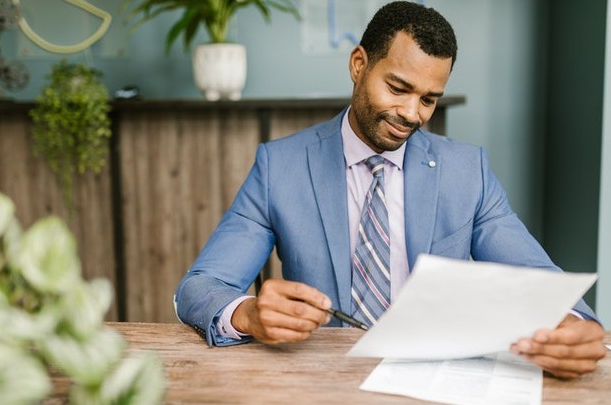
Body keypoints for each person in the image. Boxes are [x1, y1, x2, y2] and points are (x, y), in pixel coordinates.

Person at [175, 1, 605, 379]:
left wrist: (574, 325)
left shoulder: (467, 171)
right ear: (358, 64)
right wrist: (247, 314)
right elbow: (199, 287)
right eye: (398, 88)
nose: (411, 114)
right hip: (321, 378)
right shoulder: (280, 167)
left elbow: (541, 279)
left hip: (439, 380)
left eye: (429, 99)